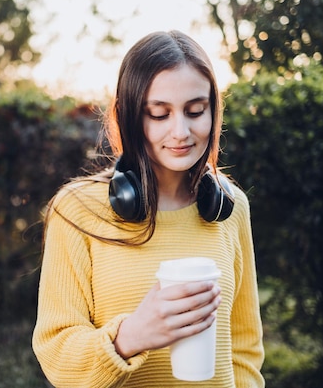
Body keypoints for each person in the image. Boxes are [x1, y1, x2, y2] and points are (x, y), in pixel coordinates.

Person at [32, 30, 264, 387]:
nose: (181, 131)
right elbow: (57, 354)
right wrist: (131, 337)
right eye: (159, 114)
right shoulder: (76, 210)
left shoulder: (232, 208)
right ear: (129, 118)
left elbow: (244, 350)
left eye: (196, 111)